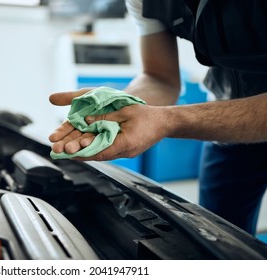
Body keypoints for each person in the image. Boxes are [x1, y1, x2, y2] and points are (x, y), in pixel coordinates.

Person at [48, 0, 267, 236]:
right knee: (220, 238)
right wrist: (121, 104)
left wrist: (167, 120)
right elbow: (159, 77)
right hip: (227, 128)